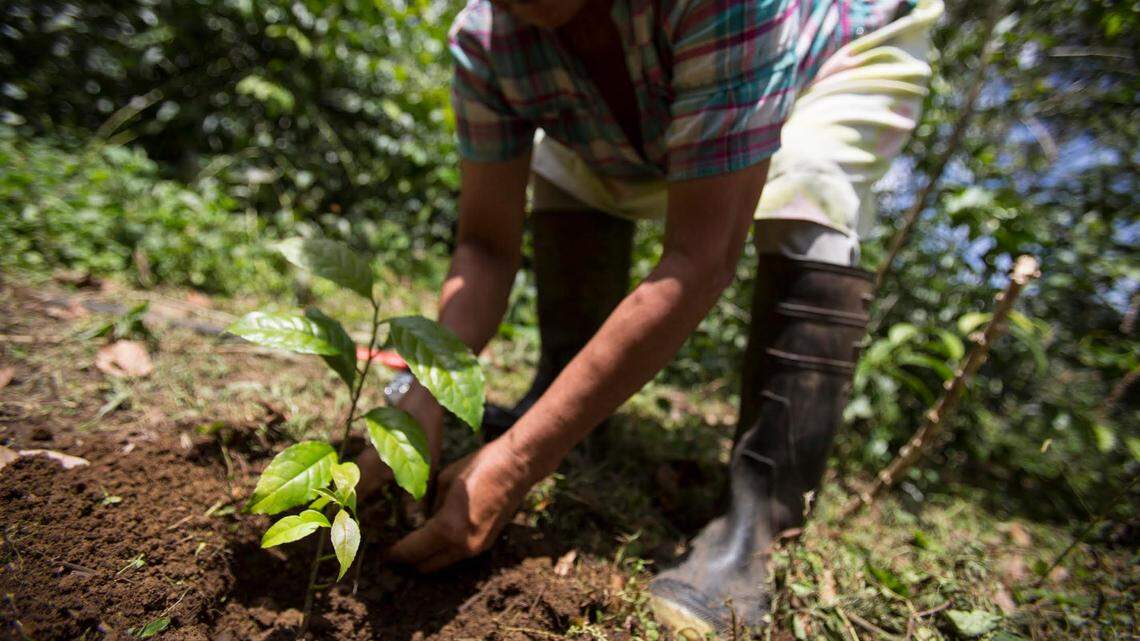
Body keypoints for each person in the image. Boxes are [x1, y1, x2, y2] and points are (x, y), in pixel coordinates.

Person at [357, 0, 944, 634]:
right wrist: (419, 393)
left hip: (828, 55)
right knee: (564, 173)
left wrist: (520, 462)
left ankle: (760, 522)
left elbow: (701, 256)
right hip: (654, 114)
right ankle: (560, 404)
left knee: (808, 181)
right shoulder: (488, 43)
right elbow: (484, 248)